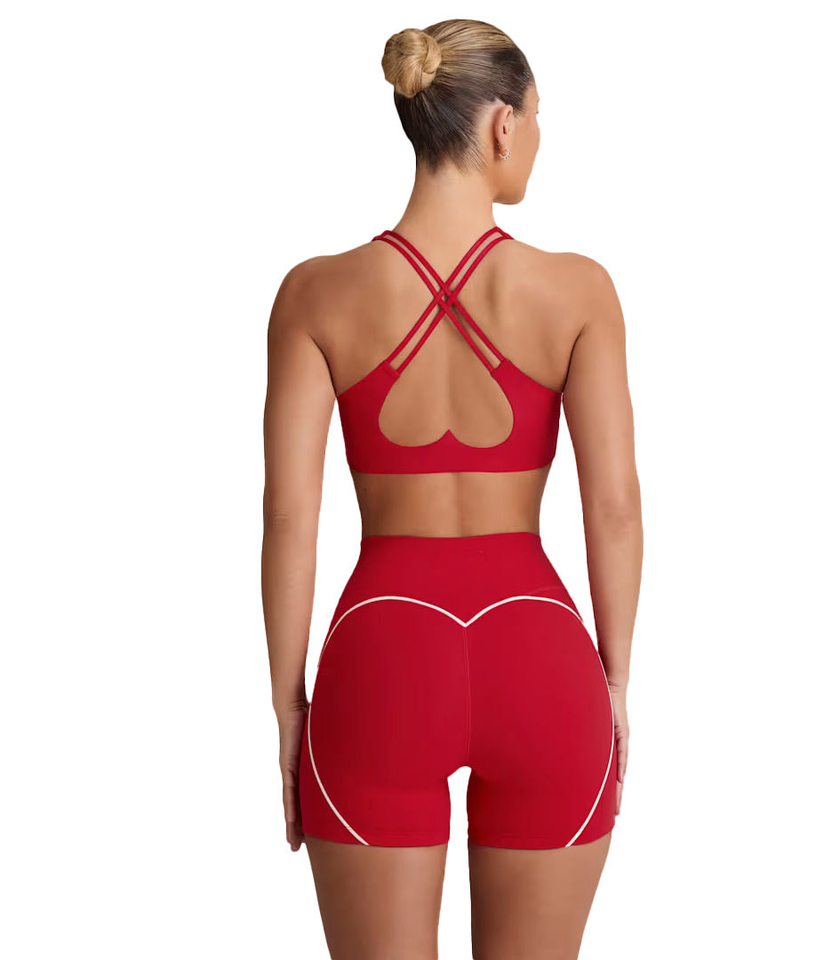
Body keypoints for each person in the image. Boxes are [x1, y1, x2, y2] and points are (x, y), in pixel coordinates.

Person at [261, 18, 643, 959]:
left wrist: (290, 708)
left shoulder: (315, 293)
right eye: (539, 118)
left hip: (381, 656)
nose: (539, 139)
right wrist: (615, 681)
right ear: (503, 125)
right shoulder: (578, 291)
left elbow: (289, 517)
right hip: (539, 652)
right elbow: (614, 507)